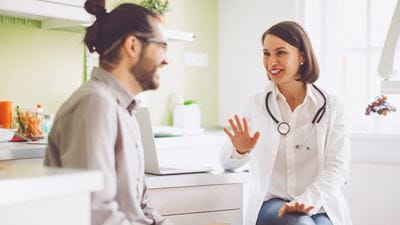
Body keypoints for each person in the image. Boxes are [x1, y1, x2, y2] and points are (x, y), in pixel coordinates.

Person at [44, 0, 171, 224]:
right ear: (132, 45)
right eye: (162, 47)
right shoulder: (95, 105)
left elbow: (139, 208)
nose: (166, 60)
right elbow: (97, 214)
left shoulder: (125, 110)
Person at [219, 21, 352, 225]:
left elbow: (337, 168)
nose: (271, 61)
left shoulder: (332, 105)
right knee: (299, 223)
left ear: (302, 56)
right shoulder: (254, 105)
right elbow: (226, 163)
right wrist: (240, 151)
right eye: (266, 53)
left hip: (320, 203)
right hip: (272, 202)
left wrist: (307, 200)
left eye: (280, 52)